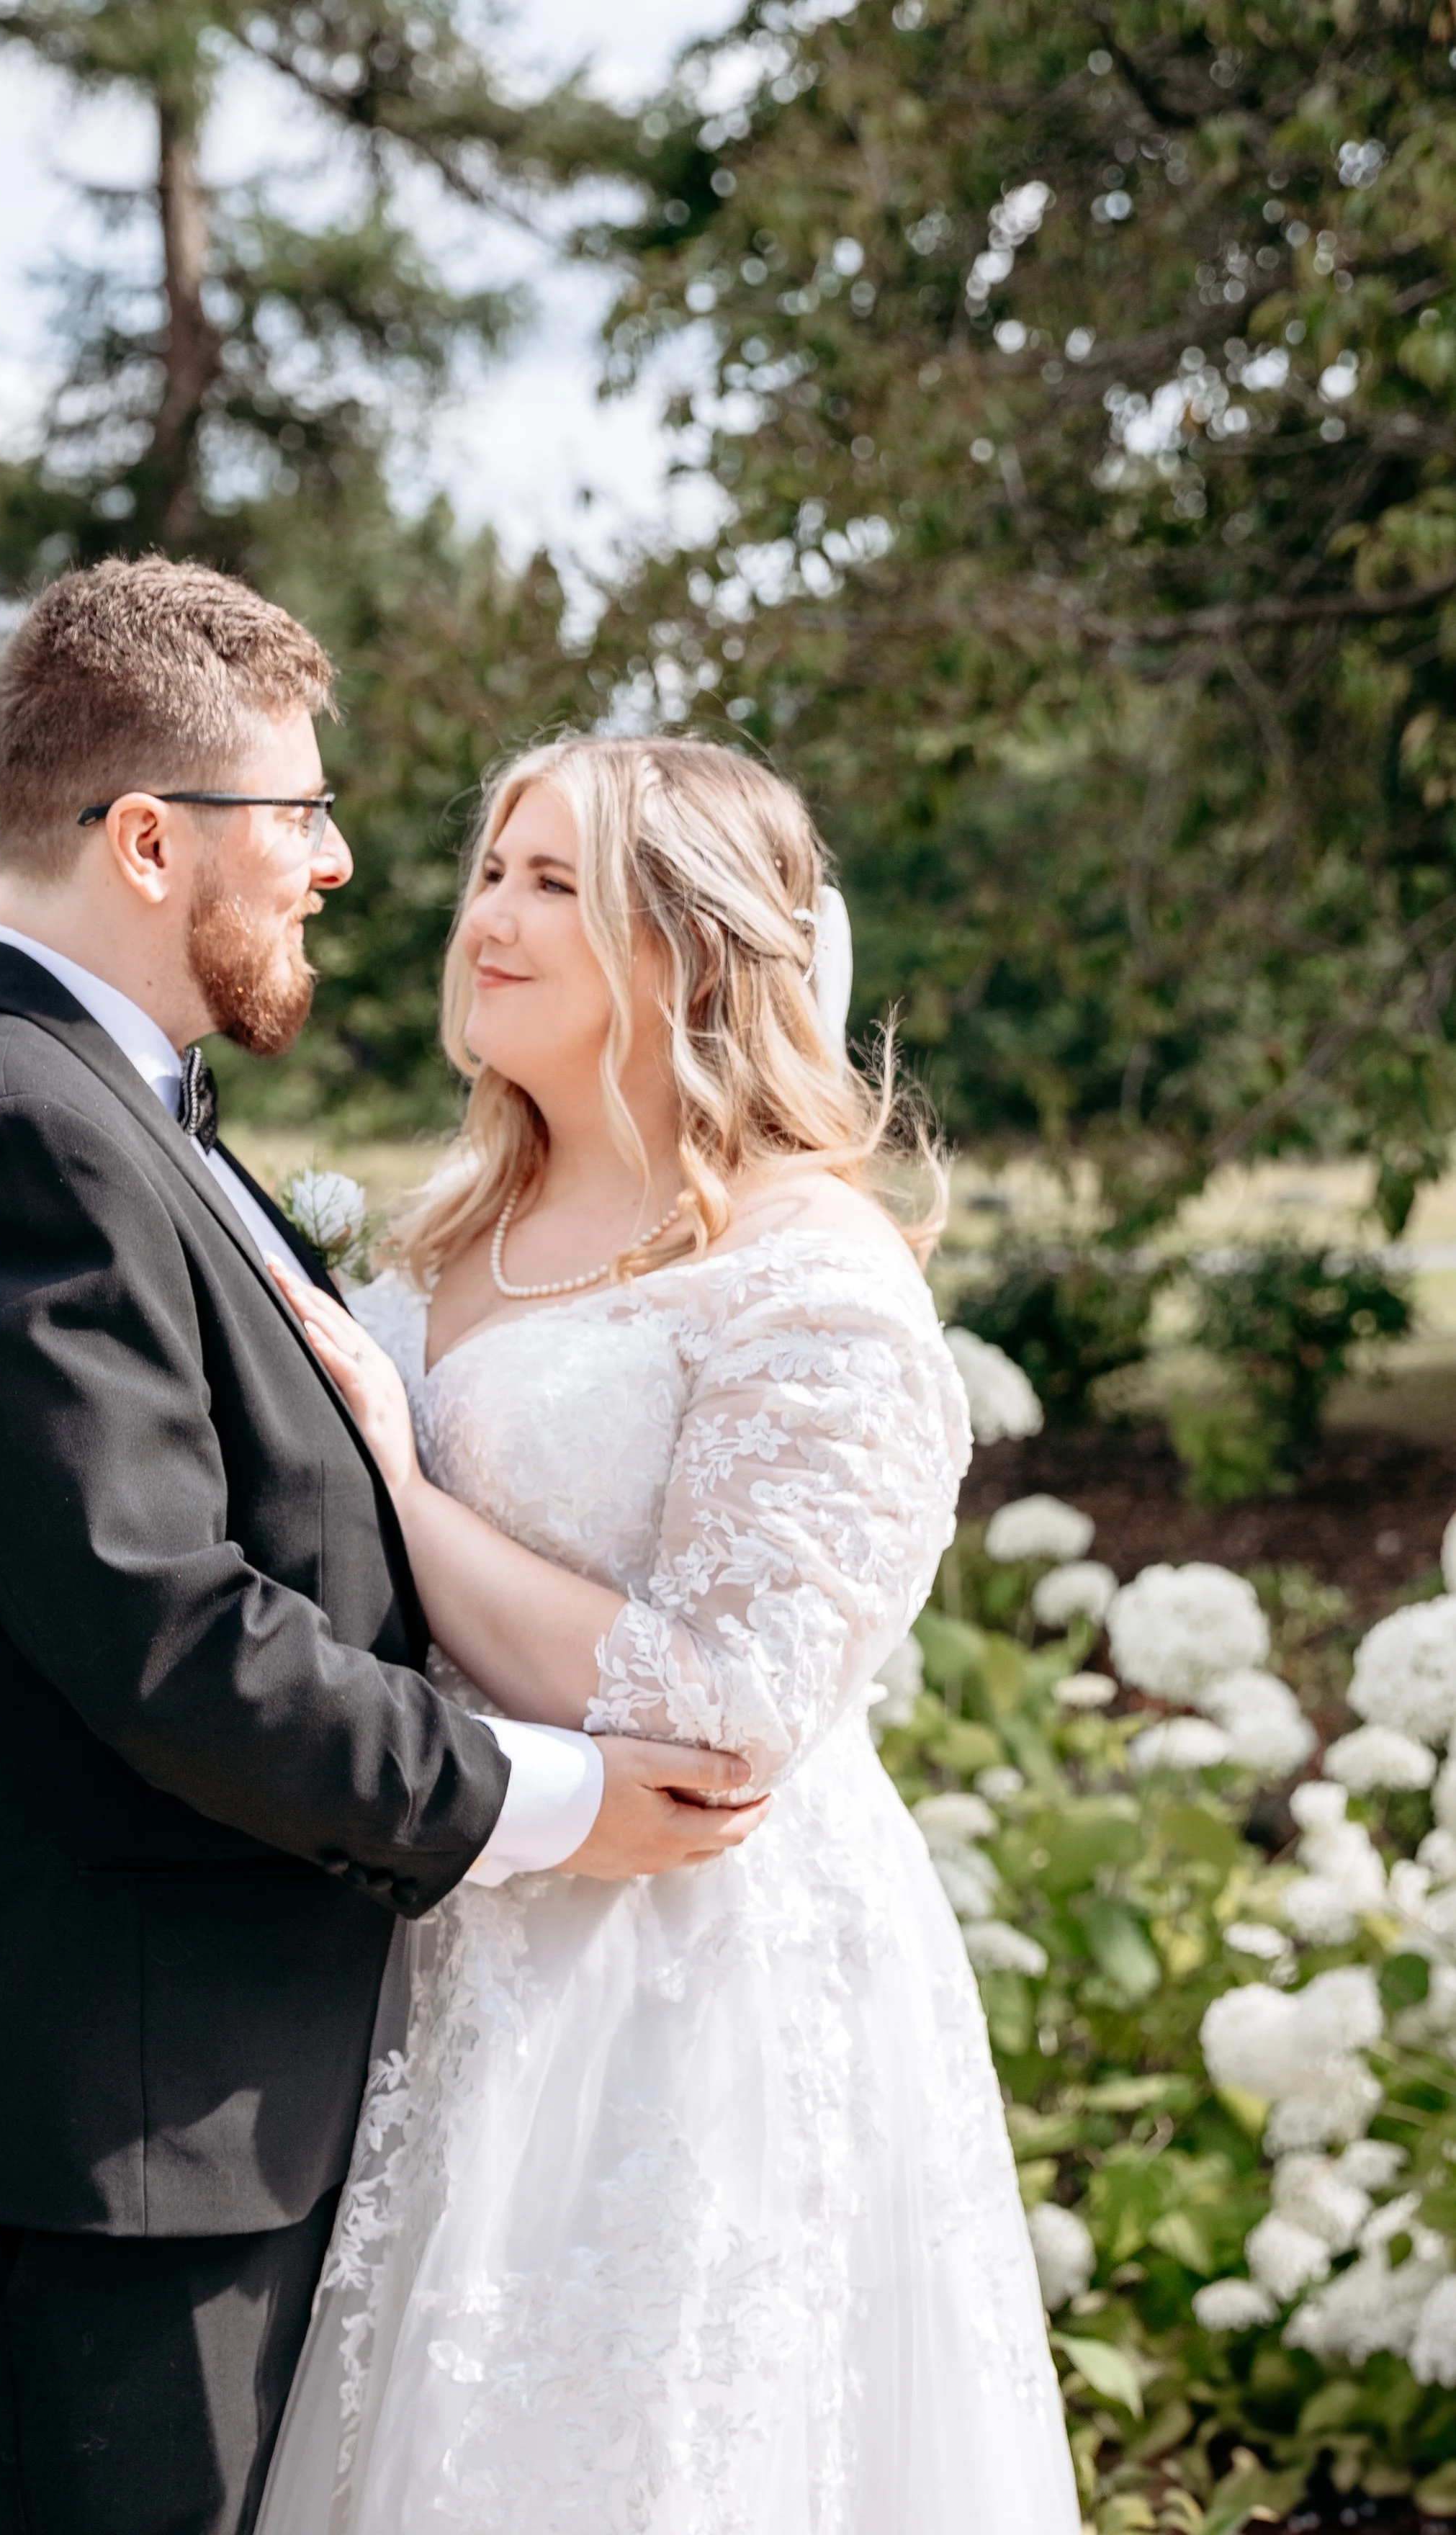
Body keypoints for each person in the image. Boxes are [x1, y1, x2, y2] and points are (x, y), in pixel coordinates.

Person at [0, 561, 767, 2535]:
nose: (331, 865)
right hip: (83, 2156)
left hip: (174, 2121)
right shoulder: (13, 1137)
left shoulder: (115, 1111)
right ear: (150, 841)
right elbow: (177, 1641)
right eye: (296, 814)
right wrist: (559, 1798)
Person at [257, 735, 1083, 2533]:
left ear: (693, 951)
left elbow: (721, 1710)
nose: (489, 914)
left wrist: (405, 1486)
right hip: (444, 1944)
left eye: (556, 882)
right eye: (492, 870)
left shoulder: (811, 1272)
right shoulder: (456, 1224)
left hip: (681, 1991)